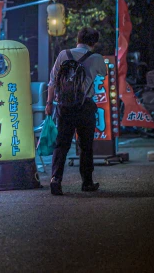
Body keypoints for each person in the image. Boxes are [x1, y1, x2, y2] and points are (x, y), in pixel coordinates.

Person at [45, 26, 106, 195]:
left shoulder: (64, 55)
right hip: (85, 106)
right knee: (86, 146)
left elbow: (52, 81)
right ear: (94, 42)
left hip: (65, 105)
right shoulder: (96, 58)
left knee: (61, 144)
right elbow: (103, 74)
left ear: (77, 39)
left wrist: (49, 103)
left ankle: (55, 179)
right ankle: (87, 183)